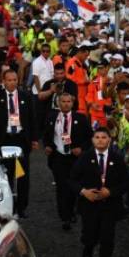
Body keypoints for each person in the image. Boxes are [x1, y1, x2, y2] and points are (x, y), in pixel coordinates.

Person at [70, 128, 129, 257]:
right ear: (92, 140)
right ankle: (88, 251)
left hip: (110, 206)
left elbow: (126, 182)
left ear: (109, 140)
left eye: (104, 137)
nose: (100, 140)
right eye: (97, 137)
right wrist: (84, 192)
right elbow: (71, 180)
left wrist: (111, 192)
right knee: (89, 236)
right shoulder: (84, 158)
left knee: (107, 238)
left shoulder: (117, 159)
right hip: (89, 205)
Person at [0, 69, 38, 218]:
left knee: (22, 174)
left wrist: (34, 139)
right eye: (9, 80)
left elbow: (32, 118)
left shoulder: (25, 96)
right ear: (4, 81)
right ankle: (8, 206)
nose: (12, 82)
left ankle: (22, 207)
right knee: (7, 174)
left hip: (21, 140)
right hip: (4, 140)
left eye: (15, 80)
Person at [43, 93, 93, 230]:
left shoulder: (80, 118)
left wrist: (81, 149)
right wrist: (47, 146)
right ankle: (64, 216)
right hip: (58, 157)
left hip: (75, 159)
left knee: (74, 187)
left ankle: (72, 211)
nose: (66, 104)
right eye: (63, 101)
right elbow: (47, 134)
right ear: (58, 103)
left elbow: (90, 138)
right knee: (61, 187)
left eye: (68, 101)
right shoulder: (52, 117)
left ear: (72, 103)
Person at [66, 43, 91, 116]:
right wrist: (83, 81)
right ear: (80, 52)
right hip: (77, 96)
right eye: (85, 55)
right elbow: (69, 79)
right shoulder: (72, 63)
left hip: (83, 96)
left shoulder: (81, 64)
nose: (86, 58)